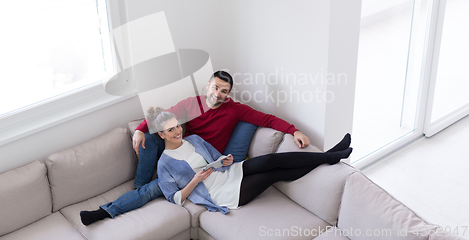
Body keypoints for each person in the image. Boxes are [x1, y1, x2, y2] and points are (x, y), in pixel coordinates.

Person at [80, 71, 311, 225]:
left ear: (228, 94)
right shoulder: (191, 105)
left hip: (202, 161)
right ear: (207, 86)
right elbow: (163, 117)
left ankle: (110, 209)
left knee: (152, 190)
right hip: (181, 154)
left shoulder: (235, 109)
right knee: (150, 142)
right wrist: (140, 128)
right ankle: (130, 191)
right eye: (216, 88)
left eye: (224, 91)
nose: (218, 94)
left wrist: (294, 130)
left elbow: (267, 119)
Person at [153, 108, 352, 212]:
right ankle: (330, 157)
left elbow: (216, 158)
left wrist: (226, 160)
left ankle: (329, 155)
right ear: (162, 135)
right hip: (222, 193)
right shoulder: (164, 164)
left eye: (178, 126)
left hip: (229, 172)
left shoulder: (193, 140)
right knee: (273, 175)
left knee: (270, 160)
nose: (178, 131)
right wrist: (195, 180)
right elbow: (175, 198)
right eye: (171, 130)